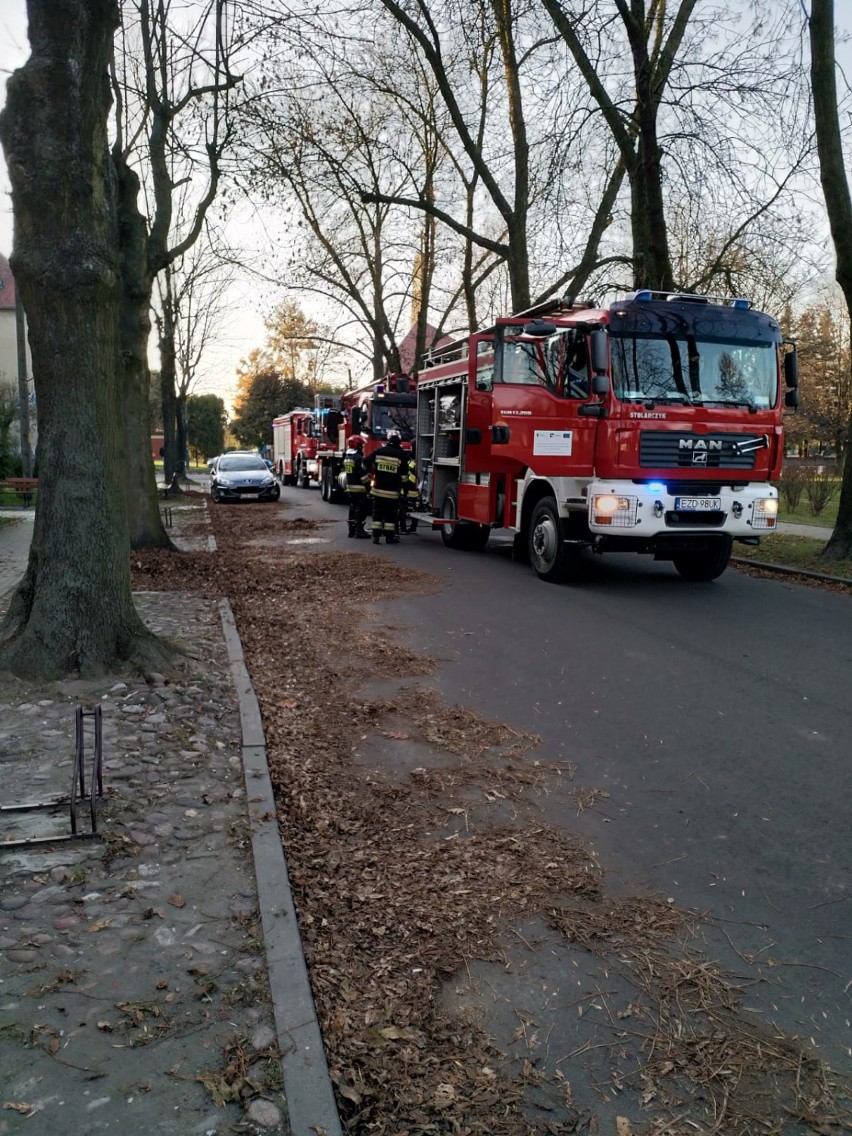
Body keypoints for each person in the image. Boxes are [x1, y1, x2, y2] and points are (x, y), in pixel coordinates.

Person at [365, 430, 407, 543]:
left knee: (377, 515)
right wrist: (405, 490)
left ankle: (376, 537)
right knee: (390, 516)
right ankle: (389, 537)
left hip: (378, 491)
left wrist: (372, 472)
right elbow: (404, 477)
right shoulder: (402, 454)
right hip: (392, 493)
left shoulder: (379, 450)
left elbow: (365, 462)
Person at [343, 434, 371, 538]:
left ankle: (351, 530)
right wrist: (368, 487)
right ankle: (359, 531)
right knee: (361, 509)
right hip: (359, 488)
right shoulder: (358, 458)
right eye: (361, 445)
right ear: (358, 446)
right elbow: (363, 475)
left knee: (352, 508)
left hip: (350, 488)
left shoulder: (347, 457)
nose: (362, 448)